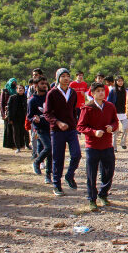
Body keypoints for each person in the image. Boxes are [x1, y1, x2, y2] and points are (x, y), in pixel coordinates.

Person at [77, 82, 118, 212]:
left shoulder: (110, 106)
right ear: (92, 93)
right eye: (98, 91)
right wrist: (94, 132)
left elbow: (115, 121)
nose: (101, 93)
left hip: (107, 145)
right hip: (92, 146)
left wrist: (112, 127)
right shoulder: (87, 108)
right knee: (91, 174)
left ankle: (103, 194)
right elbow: (80, 126)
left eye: (103, 90)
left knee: (109, 171)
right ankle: (92, 199)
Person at [43, 68, 82, 196]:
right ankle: (56, 184)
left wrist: (75, 123)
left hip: (71, 129)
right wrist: (58, 123)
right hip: (57, 130)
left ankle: (69, 175)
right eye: (63, 76)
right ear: (58, 78)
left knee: (76, 154)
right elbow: (47, 113)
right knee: (58, 158)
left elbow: (73, 110)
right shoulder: (52, 93)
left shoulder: (73, 93)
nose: (66, 78)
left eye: (68, 76)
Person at [28, 77, 52, 182]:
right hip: (40, 129)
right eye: (42, 83)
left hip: (51, 127)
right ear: (36, 85)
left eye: (45, 83)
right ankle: (37, 162)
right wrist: (34, 118)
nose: (44, 85)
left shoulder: (49, 97)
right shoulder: (32, 100)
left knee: (51, 152)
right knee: (48, 147)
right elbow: (29, 116)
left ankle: (48, 175)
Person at [107, 76, 128, 151]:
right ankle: (114, 147)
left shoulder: (125, 91)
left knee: (126, 128)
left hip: (123, 112)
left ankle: (123, 142)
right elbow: (109, 102)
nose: (120, 82)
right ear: (116, 82)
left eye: (121, 81)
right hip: (115, 113)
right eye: (119, 81)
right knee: (115, 131)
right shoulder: (112, 91)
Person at [6, 84, 28, 152]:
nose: (20, 89)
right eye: (19, 88)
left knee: (25, 132)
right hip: (15, 118)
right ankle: (18, 147)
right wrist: (10, 118)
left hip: (24, 118)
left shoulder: (25, 97)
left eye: (22, 88)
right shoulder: (12, 98)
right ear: (16, 90)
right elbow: (9, 109)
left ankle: (27, 144)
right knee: (16, 132)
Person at [0, 78, 18, 150]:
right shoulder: (5, 91)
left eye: (15, 83)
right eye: (12, 82)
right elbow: (1, 103)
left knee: (15, 128)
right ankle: (8, 144)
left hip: (16, 112)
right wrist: (3, 114)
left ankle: (16, 143)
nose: (14, 84)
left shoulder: (16, 90)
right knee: (8, 128)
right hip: (7, 112)